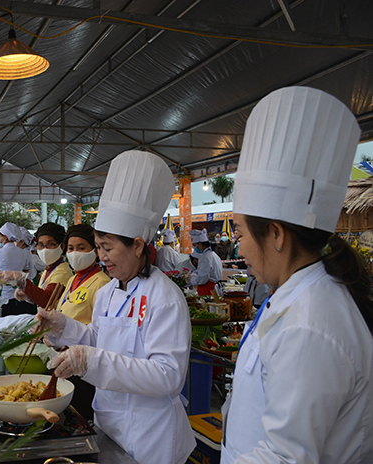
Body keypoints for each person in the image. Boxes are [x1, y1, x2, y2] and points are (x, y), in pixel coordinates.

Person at [222, 87, 373, 463]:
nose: (238, 248)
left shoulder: (309, 325)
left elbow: (287, 456)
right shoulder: (295, 296)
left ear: (275, 233)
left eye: (239, 233)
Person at [38, 150, 195, 464]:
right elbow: (99, 339)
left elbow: (168, 376)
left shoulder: (164, 298)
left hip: (151, 437)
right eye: (98, 248)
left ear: (137, 245)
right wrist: (63, 326)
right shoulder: (109, 291)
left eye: (107, 248)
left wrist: (92, 360)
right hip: (109, 423)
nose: (102, 257)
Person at [54, 224, 110, 420]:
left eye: (81, 247)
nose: (74, 253)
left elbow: (100, 331)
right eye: (70, 248)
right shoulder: (73, 280)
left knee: (80, 415)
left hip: (84, 365)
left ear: (95, 251)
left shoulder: (101, 283)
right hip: (65, 360)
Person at [16, 223, 73, 309]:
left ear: (62, 246)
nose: (45, 249)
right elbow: (44, 296)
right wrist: (29, 296)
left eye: (50, 244)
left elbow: (47, 300)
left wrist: (20, 279)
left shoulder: (63, 271)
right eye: (41, 245)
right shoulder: (49, 269)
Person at [0, 222, 36, 316]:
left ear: (5, 237)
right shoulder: (24, 253)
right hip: (22, 296)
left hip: (4, 297)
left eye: (0, 237)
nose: (0, 240)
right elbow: (28, 274)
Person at [189, 228, 223, 295]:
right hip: (215, 287)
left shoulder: (205, 258)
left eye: (195, 245)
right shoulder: (213, 255)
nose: (195, 248)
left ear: (200, 244)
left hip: (208, 289)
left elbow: (202, 279)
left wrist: (190, 279)